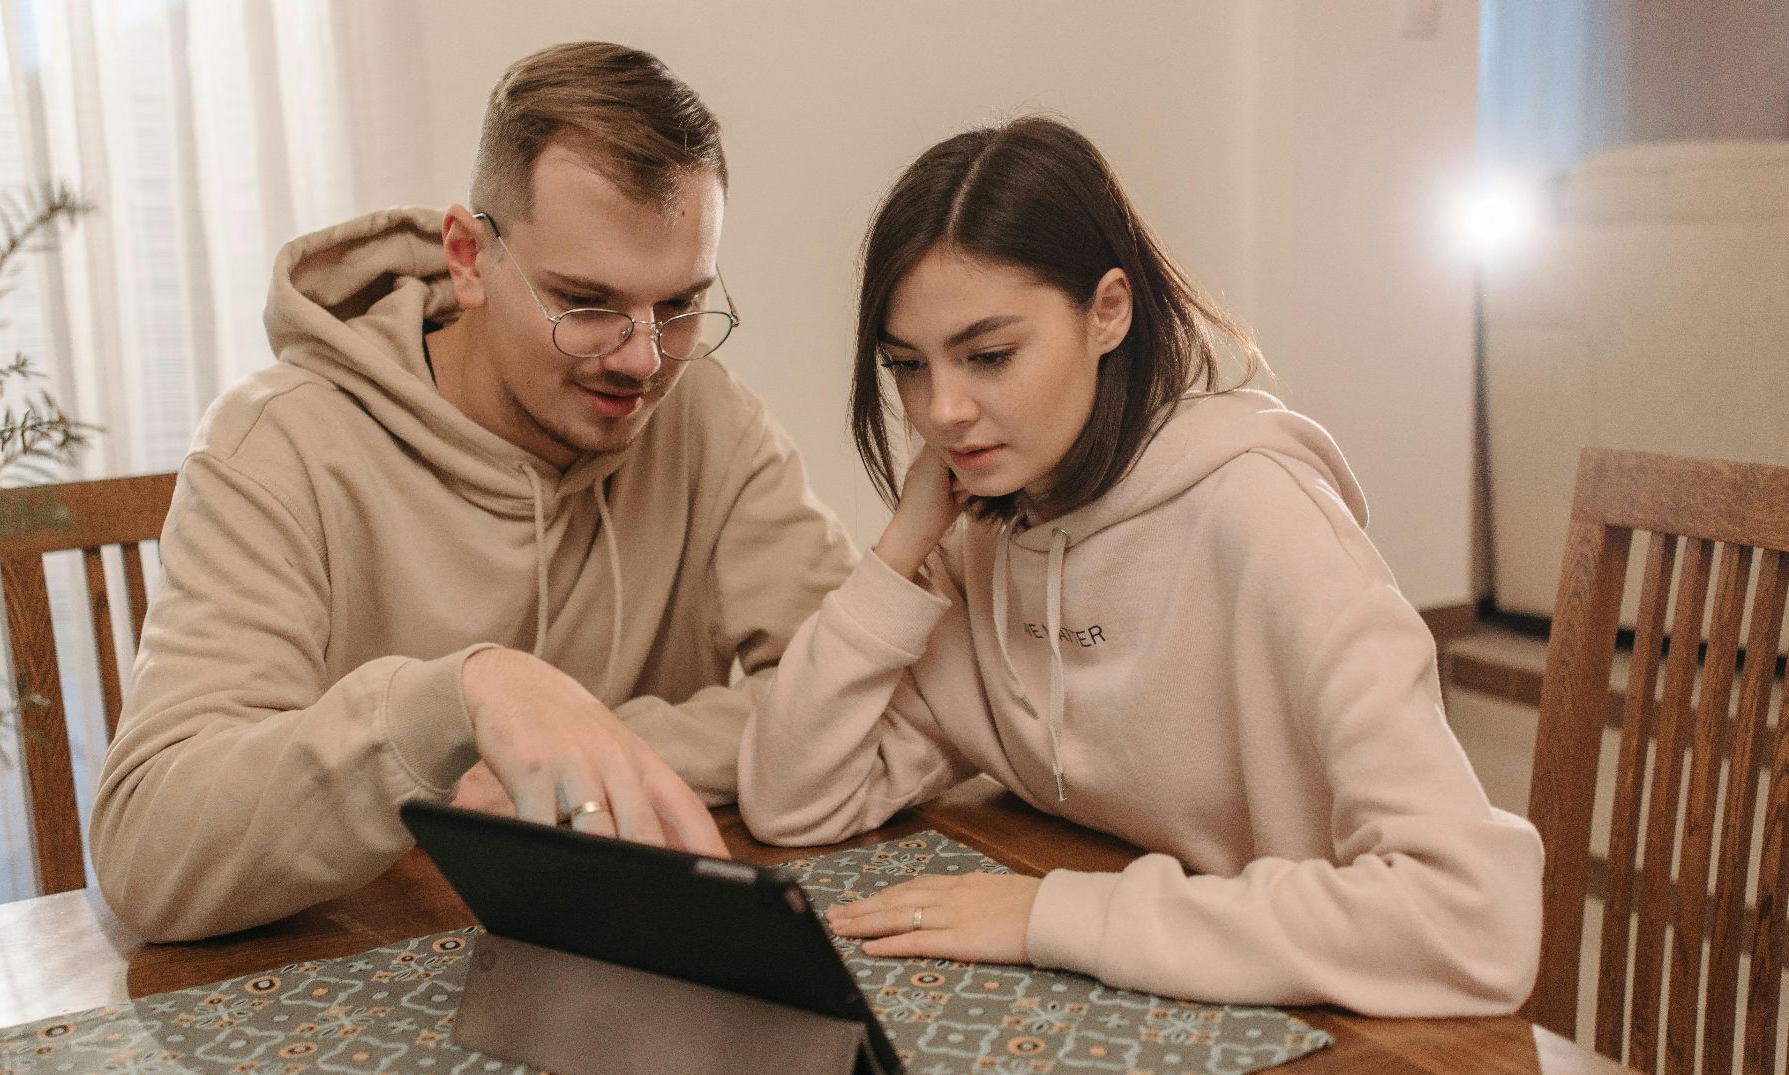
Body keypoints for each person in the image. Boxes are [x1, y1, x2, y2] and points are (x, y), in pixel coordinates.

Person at [738, 115, 1543, 1017]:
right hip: (1145, 1000)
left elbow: (1472, 919)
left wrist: (1052, 915)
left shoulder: (1263, 519)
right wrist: (898, 550)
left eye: (989, 356)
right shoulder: (983, 539)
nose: (943, 411)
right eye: (907, 367)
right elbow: (791, 801)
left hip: (1330, 1023)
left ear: (1108, 311)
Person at [90, 42, 856, 942]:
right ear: (468, 257)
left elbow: (864, 702)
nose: (644, 359)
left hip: (632, 952)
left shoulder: (705, 413)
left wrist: (573, 755)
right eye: (587, 302)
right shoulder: (276, 445)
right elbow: (150, 854)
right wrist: (455, 705)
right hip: (369, 966)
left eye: (680, 305)